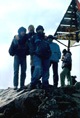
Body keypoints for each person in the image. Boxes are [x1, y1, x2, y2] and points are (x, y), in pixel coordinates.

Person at [29, 25, 51, 90]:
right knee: (38, 68)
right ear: (37, 30)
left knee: (46, 71)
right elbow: (31, 45)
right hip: (37, 55)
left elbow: (48, 46)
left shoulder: (46, 38)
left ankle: (45, 84)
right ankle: (33, 83)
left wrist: (49, 53)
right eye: (39, 29)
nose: (40, 30)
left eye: (41, 29)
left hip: (46, 57)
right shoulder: (34, 37)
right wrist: (33, 53)